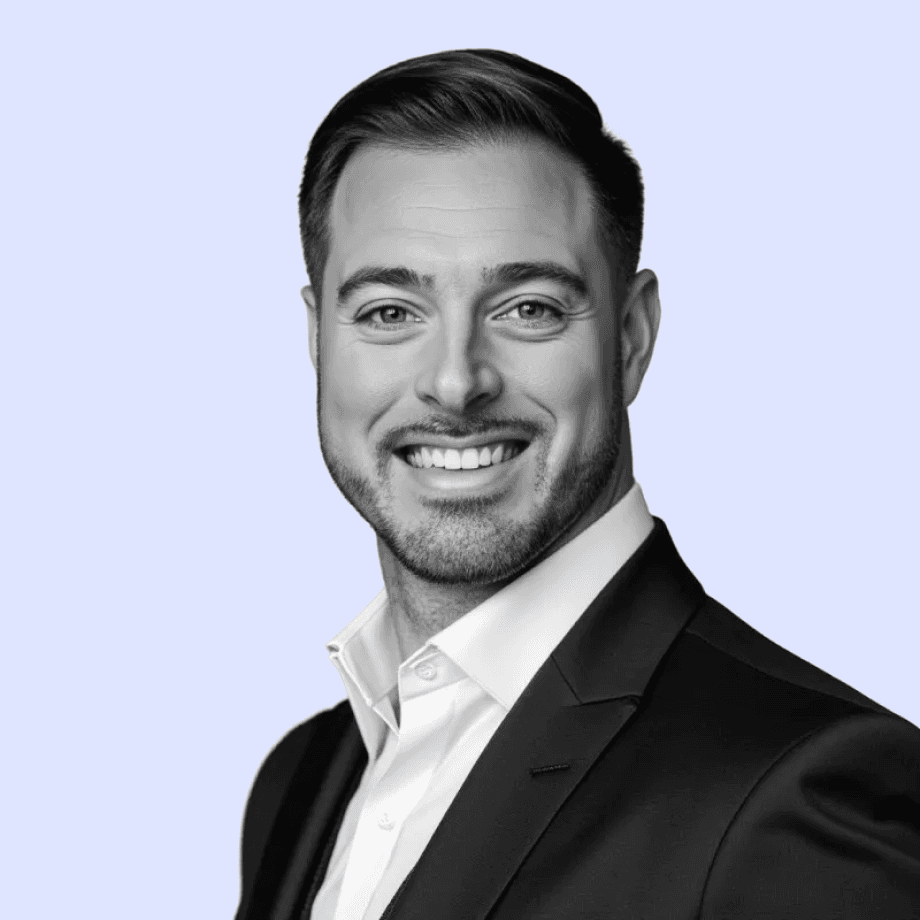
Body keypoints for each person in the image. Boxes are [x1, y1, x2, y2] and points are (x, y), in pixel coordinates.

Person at [234, 49, 920, 920]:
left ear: (631, 338)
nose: (455, 382)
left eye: (529, 309)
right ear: (318, 339)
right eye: (389, 313)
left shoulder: (801, 790)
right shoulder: (302, 780)